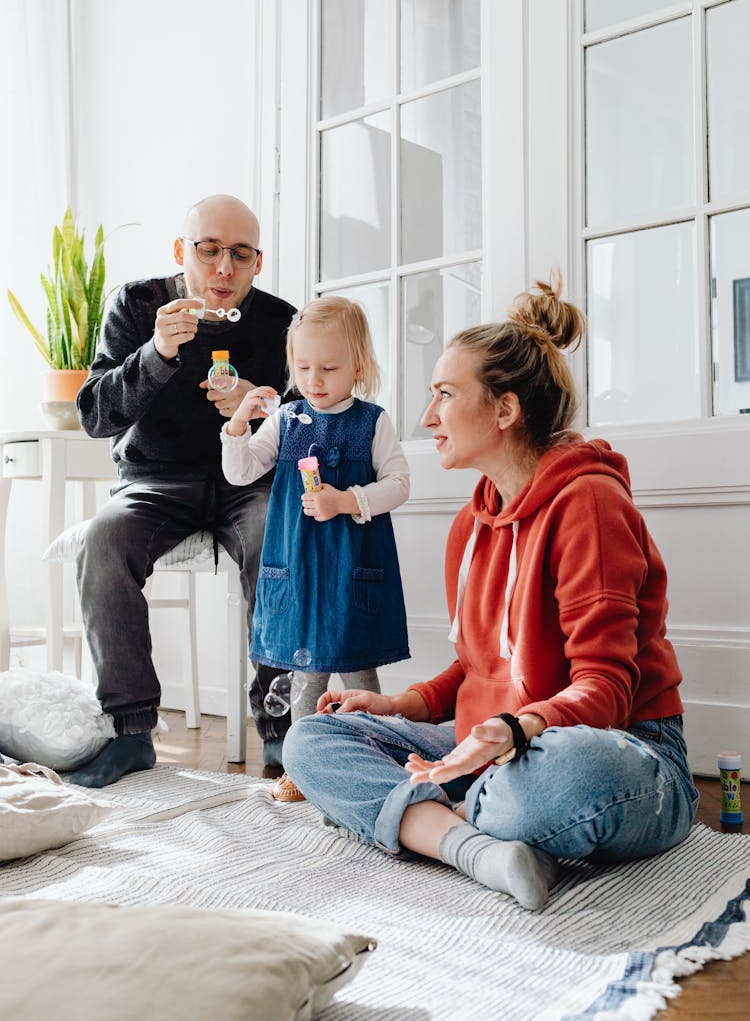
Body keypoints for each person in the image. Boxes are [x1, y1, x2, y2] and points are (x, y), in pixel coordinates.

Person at [281, 273, 698, 911]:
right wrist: (398, 705)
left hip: (617, 749)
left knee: (561, 777)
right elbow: (478, 667)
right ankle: (474, 847)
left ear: (504, 410)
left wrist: (513, 730)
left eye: (446, 394)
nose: (427, 418)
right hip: (494, 744)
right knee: (311, 740)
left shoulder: (589, 503)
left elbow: (608, 691)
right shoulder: (472, 525)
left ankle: (433, 811)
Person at [69, 194, 297, 788]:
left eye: (240, 255)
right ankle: (131, 731)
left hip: (246, 478)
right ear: (181, 251)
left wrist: (263, 406)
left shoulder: (282, 322)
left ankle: (279, 732)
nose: (224, 269)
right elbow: (94, 414)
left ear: (258, 262)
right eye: (210, 250)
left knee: (277, 533)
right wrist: (157, 353)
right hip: (154, 481)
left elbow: (309, 426)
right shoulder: (138, 303)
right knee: (102, 540)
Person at [222, 296, 411, 802]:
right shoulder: (286, 419)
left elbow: (399, 484)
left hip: (351, 569)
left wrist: (347, 500)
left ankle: (371, 763)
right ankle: (302, 769)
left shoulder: (373, 422)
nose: (314, 379)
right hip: (300, 570)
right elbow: (240, 471)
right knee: (305, 676)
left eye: (328, 368)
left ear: (358, 368)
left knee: (358, 670)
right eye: (303, 367)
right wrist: (238, 424)